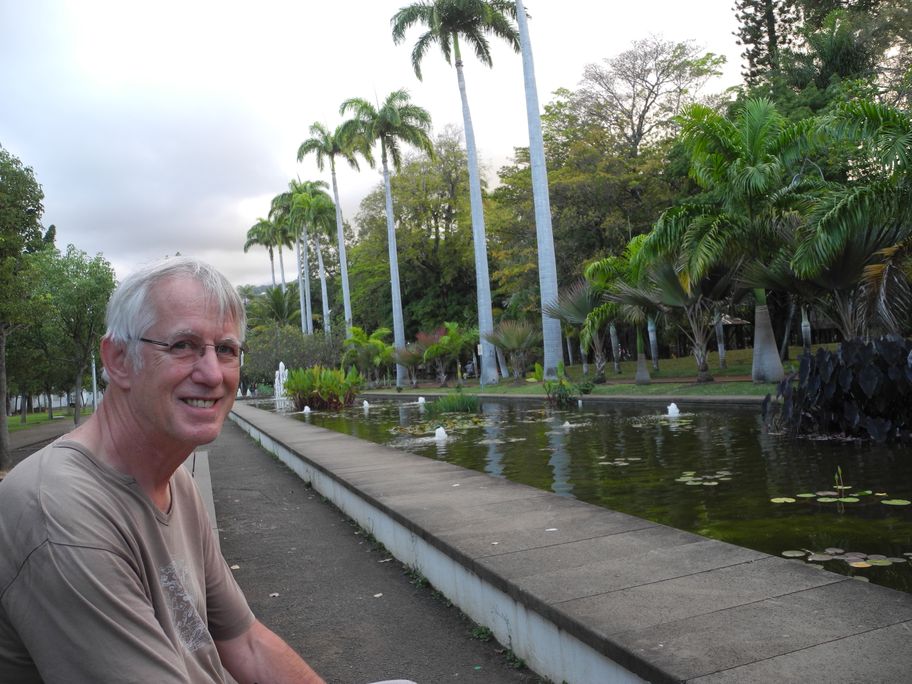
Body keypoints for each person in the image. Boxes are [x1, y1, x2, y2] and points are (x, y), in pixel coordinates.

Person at [0, 257, 324, 683]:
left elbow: (246, 642)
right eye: (182, 345)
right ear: (119, 359)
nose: (212, 374)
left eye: (226, 350)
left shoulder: (175, 482)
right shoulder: (59, 511)